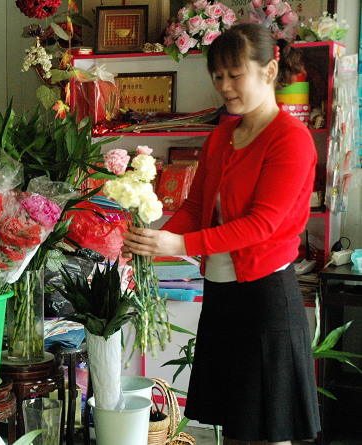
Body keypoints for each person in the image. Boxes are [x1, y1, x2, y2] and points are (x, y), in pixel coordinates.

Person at [121, 23, 321, 444]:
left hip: (266, 300)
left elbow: (261, 225)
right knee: (234, 431)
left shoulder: (291, 140)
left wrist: (180, 245)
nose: (224, 86)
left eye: (235, 74)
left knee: (269, 433)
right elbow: (196, 209)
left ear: (269, 71)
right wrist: (147, 248)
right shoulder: (222, 136)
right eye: (218, 76)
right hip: (222, 297)